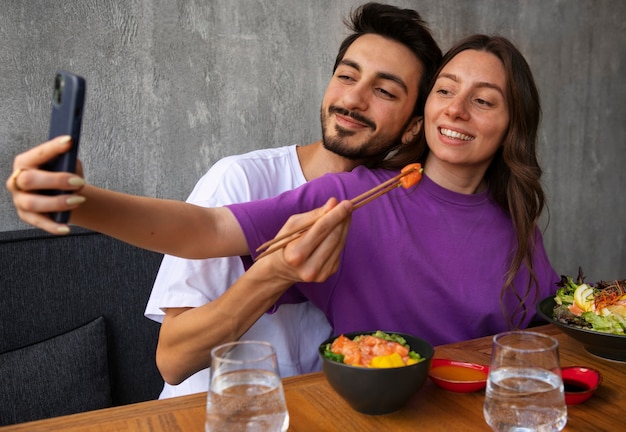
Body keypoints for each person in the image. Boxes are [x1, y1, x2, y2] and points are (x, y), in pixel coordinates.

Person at [7, 34, 559, 385]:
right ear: (428, 111)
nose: (457, 109)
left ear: (512, 124)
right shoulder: (357, 198)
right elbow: (206, 229)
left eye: (484, 100)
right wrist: (82, 201)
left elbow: (542, 337)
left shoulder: (518, 223)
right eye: (446, 90)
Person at [144, 3, 442, 398]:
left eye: (384, 91)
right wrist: (276, 273)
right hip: (212, 417)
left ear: (412, 128)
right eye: (346, 76)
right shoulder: (239, 181)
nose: (353, 99)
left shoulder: (395, 207)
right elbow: (173, 361)